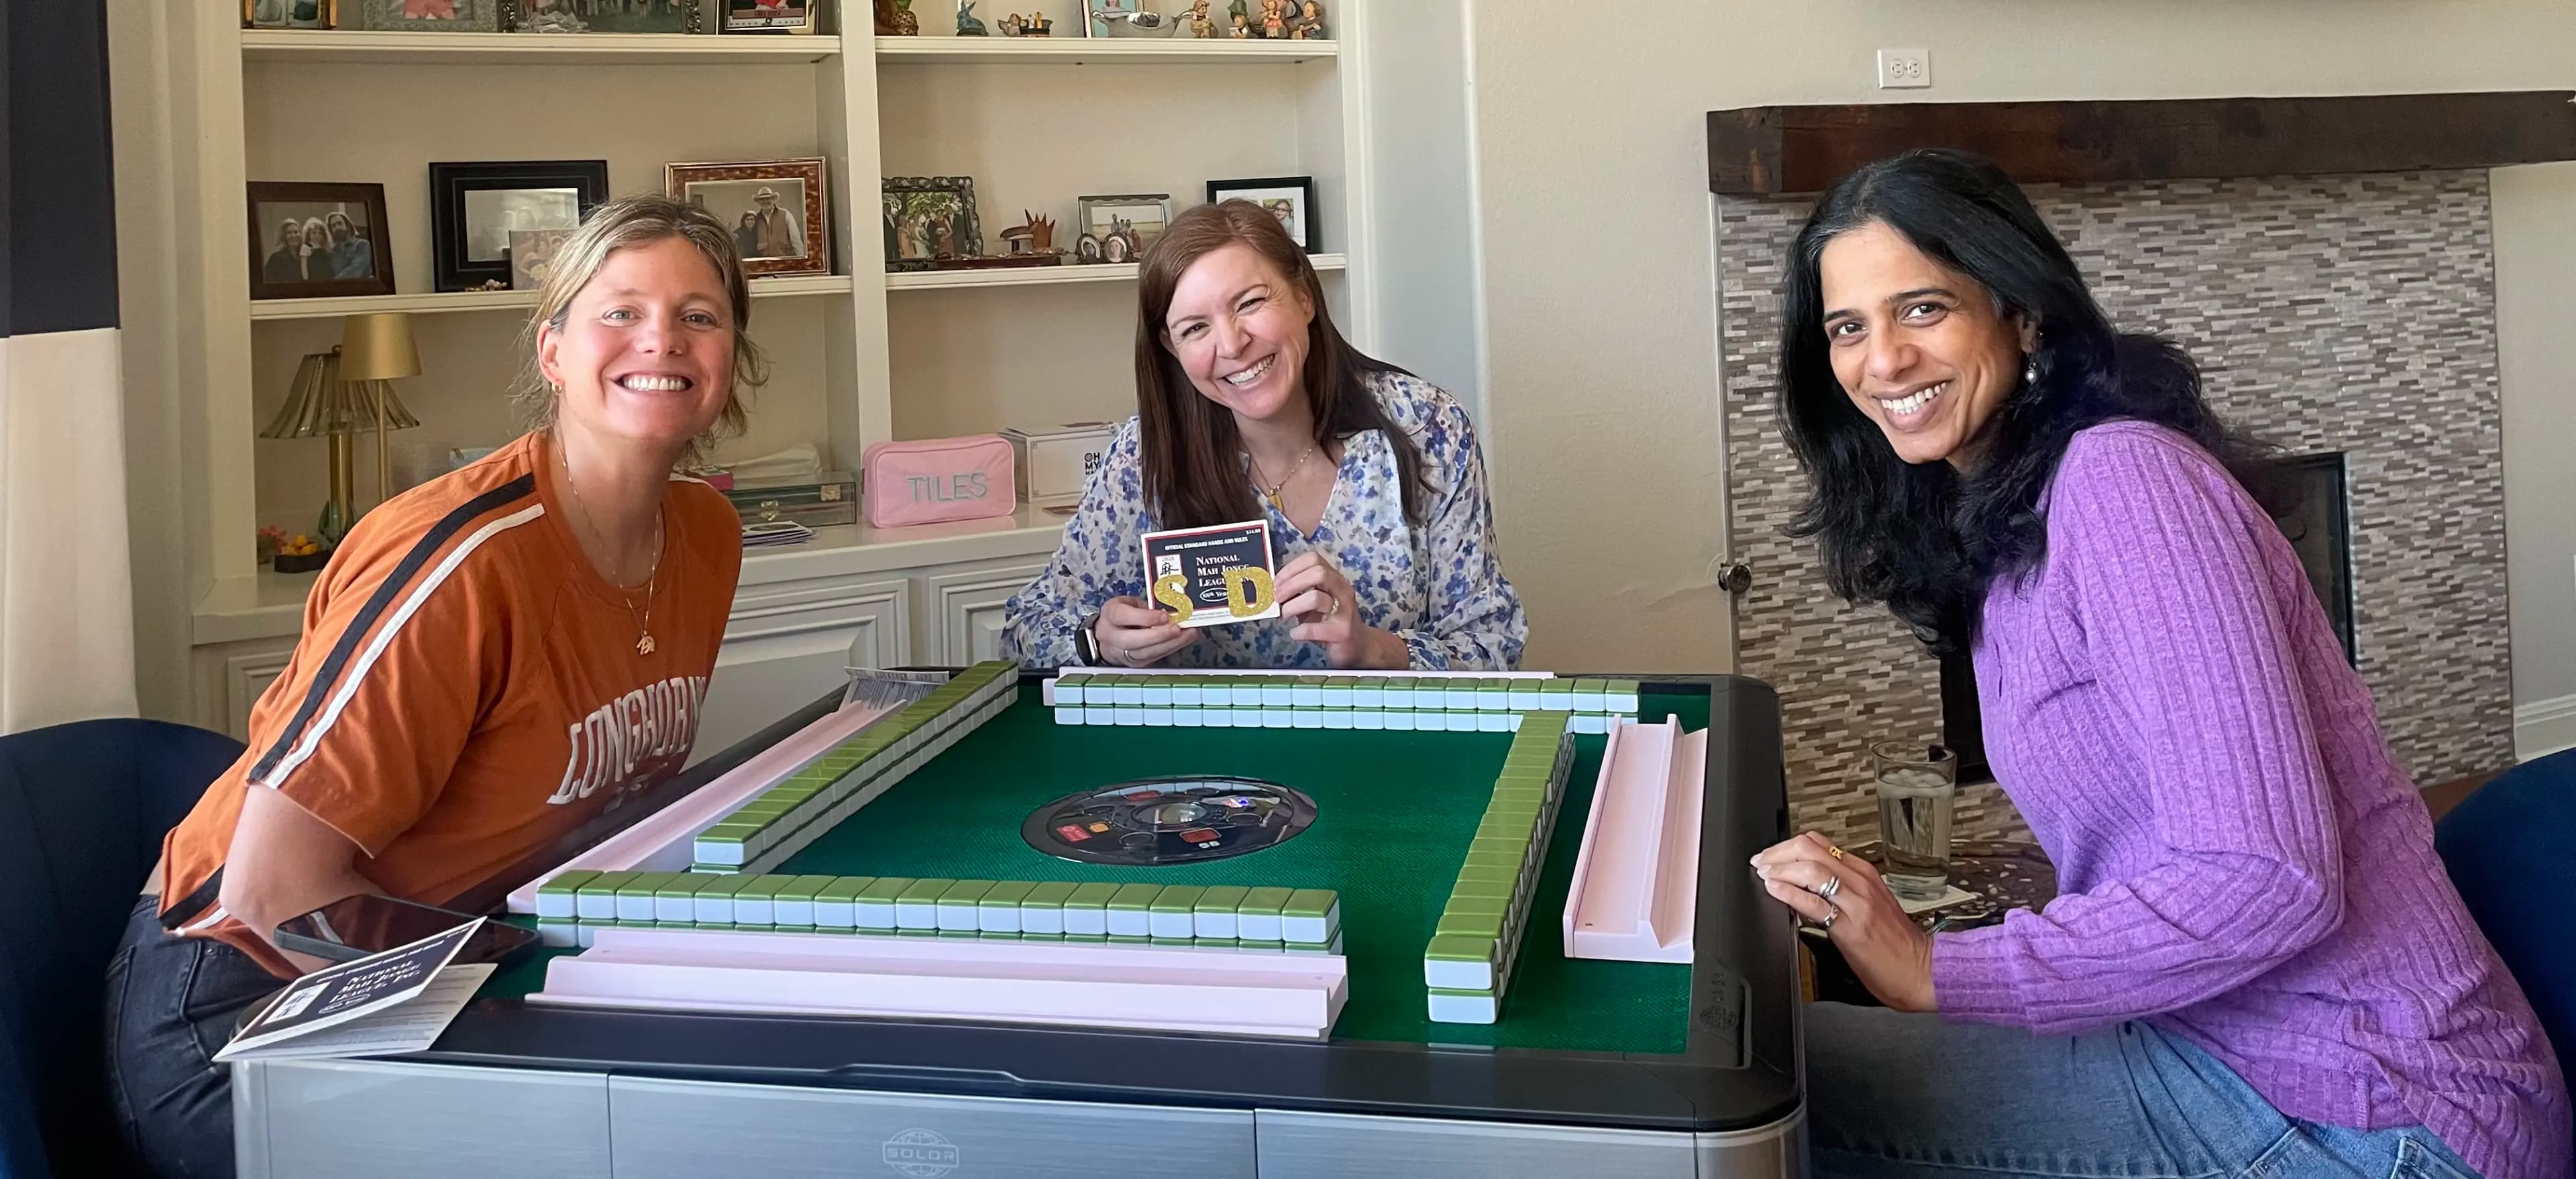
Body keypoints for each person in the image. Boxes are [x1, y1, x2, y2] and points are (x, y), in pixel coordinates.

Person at [1750, 148, 2568, 1179]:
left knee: (1770, 1094)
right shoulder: (2008, 524)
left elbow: (2268, 876)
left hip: (2370, 1111)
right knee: (1765, 1069)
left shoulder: (2124, 481)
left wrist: (1940, 967)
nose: (1883, 361)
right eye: (1848, 327)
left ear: (2022, 314)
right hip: (2208, 1042)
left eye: (1922, 310)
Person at [106, 194, 765, 1178]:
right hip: (246, 1004)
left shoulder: (709, 536)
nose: (661, 338)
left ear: (729, 359)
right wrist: (513, 973)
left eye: (699, 315)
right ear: (553, 352)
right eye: (620, 310)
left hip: (467, 947)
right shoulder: (460, 560)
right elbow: (275, 892)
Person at [1000, 199, 1524, 671]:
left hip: (1387, 756)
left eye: (1250, 303)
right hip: (1199, 766)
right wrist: (1099, 641)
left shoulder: (1426, 427)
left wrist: (1372, 649)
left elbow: (1493, 641)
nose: (1232, 344)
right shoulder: (1143, 458)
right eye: (1195, 328)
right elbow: (1024, 630)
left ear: (1303, 298)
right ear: (1171, 348)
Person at [748, 185, 803, 260]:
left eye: (768, 199)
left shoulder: (786, 214)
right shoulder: (756, 218)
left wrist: (801, 259)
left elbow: (796, 240)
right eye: (762, 199)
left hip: (783, 260)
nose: (765, 202)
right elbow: (749, 239)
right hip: (763, 263)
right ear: (758, 202)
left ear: (773, 200)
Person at [324, 211, 372, 280]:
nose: (337, 227)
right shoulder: (332, 252)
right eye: (333, 226)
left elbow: (356, 270)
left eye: (340, 224)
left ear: (348, 226)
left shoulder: (362, 245)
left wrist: (333, 284)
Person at [262, 218, 304, 284]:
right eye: (289, 233)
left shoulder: (306, 257)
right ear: (284, 236)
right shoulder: (276, 258)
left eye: (296, 232)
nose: (293, 236)